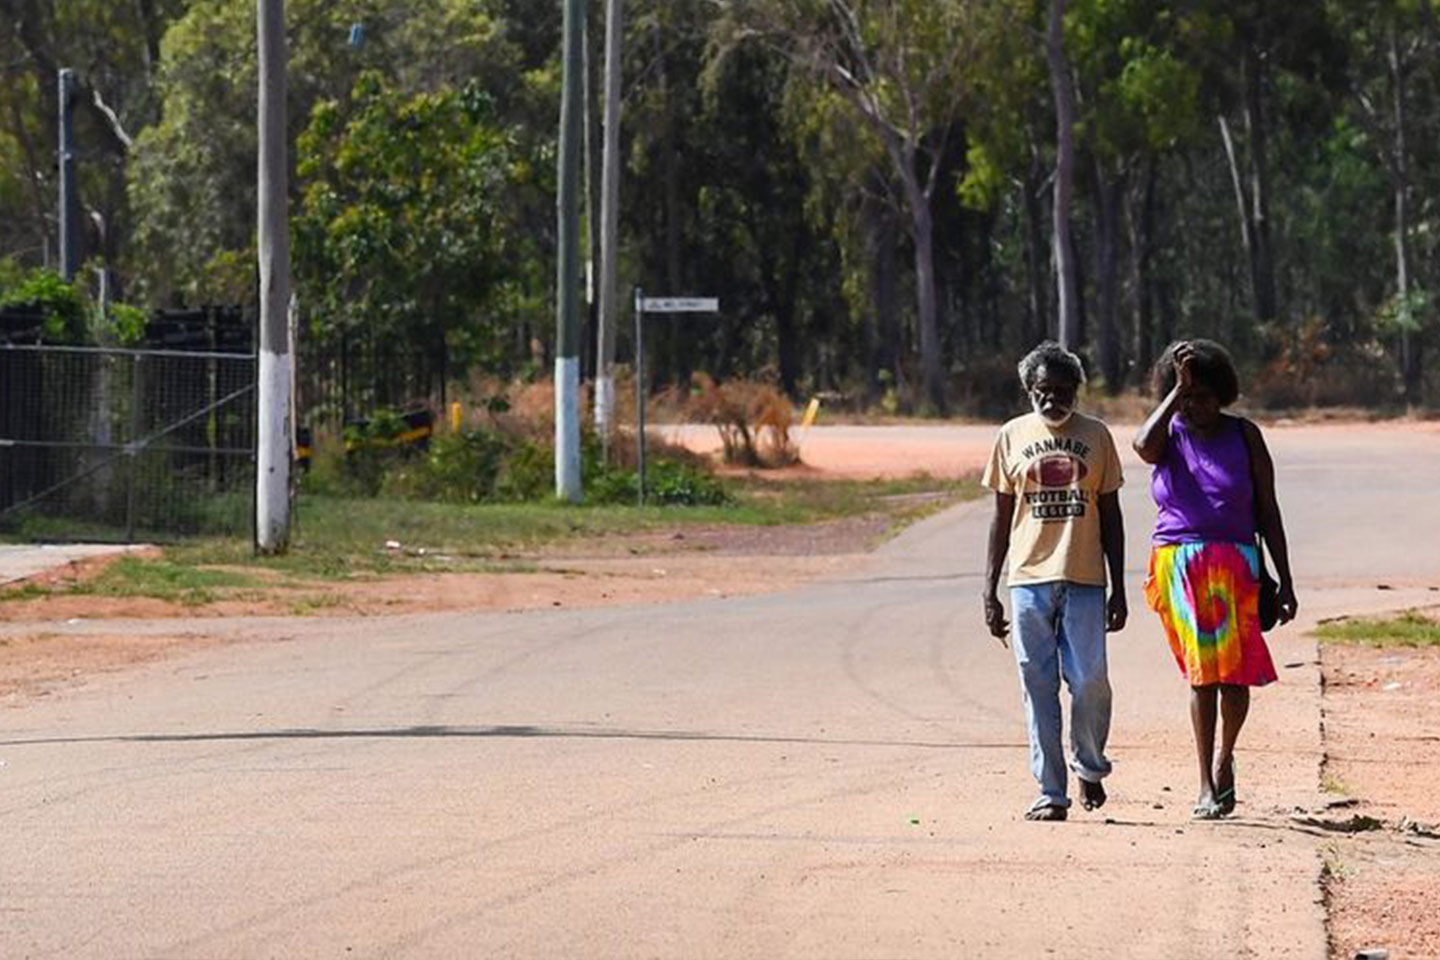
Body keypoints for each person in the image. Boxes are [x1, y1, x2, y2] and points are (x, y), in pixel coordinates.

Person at [1133, 339, 1298, 820]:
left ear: (1222, 392)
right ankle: (1205, 782)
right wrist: (1173, 396)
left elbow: (1267, 511)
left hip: (1237, 566)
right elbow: (1142, 446)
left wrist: (1283, 578)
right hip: (1181, 564)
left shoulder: (1244, 436)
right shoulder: (1168, 434)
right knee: (1204, 675)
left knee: (1235, 676)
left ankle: (1226, 760)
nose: (1195, 405)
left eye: (1202, 394)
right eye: (1186, 395)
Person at [983, 341, 1128, 822]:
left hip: (1085, 577)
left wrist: (1120, 587)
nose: (1053, 400)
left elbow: (1111, 513)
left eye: (1063, 390)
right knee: (1037, 684)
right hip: (1028, 580)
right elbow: (1000, 518)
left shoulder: (1098, 436)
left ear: (1077, 391)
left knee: (1089, 681)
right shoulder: (1011, 436)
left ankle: (1089, 765)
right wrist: (989, 589)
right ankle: (1051, 791)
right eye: (1044, 391)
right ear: (1029, 390)